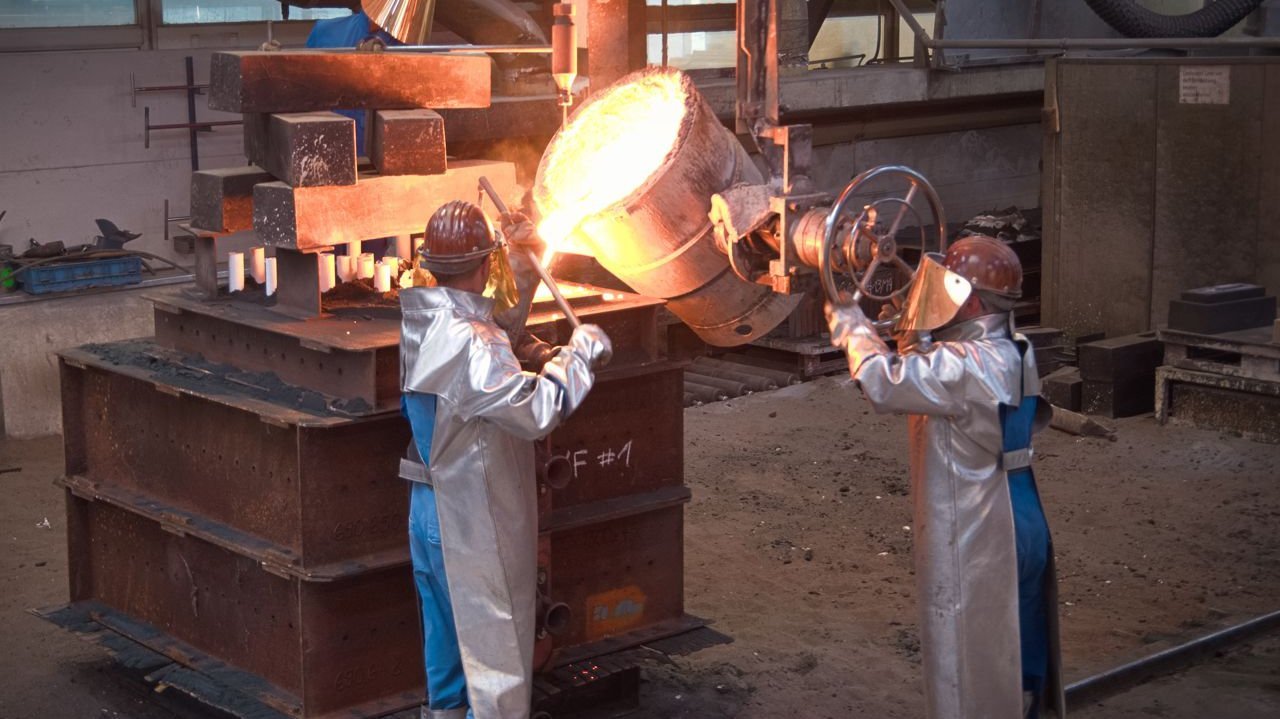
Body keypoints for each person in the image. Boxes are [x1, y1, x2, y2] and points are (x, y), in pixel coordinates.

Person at [825, 234, 1064, 719]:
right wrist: (909, 313)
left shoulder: (963, 367)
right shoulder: (1014, 348)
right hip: (1022, 514)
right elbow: (924, 363)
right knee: (1017, 645)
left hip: (980, 531)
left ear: (968, 296)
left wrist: (851, 325)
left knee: (966, 660)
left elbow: (883, 382)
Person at [398, 200, 611, 719]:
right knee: (495, 674)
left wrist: (522, 259)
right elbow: (537, 410)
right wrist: (579, 357)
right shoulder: (473, 346)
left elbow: (493, 334)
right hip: (474, 522)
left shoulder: (423, 318)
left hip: (430, 509)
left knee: (449, 657)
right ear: (483, 263)